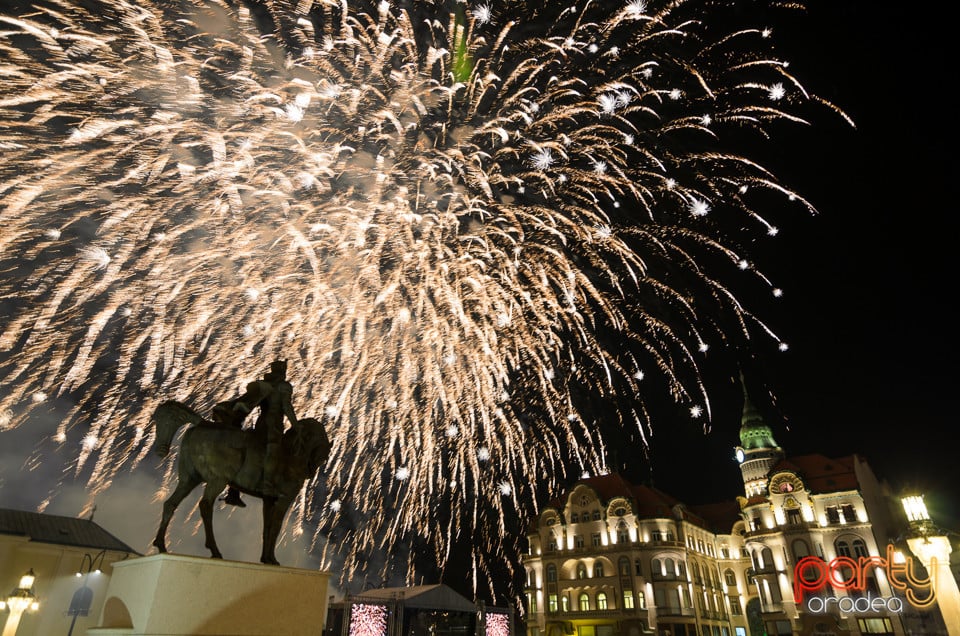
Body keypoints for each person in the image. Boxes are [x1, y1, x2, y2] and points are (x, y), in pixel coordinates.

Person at [215, 360, 299, 506]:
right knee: (276, 451)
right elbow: (286, 407)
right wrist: (296, 426)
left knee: (247, 451)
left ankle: (233, 492)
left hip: (260, 423)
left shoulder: (265, 386)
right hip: (273, 427)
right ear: (282, 372)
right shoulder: (283, 386)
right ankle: (268, 485)